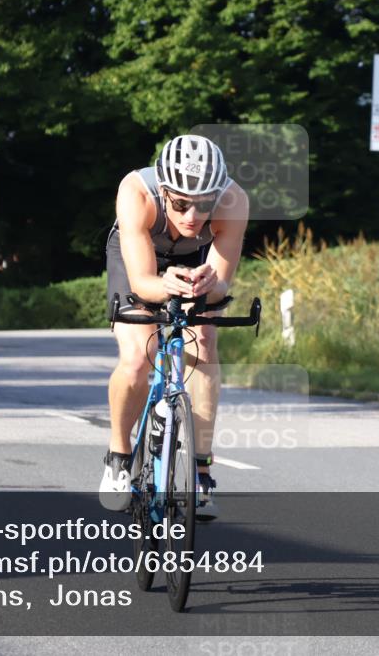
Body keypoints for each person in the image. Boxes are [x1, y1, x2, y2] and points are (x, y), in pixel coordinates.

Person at [100, 134, 249, 520]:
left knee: (203, 342)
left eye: (204, 204)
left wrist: (209, 286)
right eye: (182, 203)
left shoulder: (234, 202)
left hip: (195, 258)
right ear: (165, 191)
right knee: (138, 356)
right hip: (140, 258)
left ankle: (200, 471)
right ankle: (118, 455)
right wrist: (165, 285)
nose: (192, 215)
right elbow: (142, 283)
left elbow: (221, 286)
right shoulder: (136, 192)